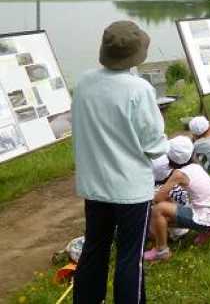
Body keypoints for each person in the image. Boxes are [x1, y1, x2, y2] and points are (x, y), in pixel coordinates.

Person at [71, 21, 168, 304]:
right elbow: (154, 145)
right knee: (129, 257)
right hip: (129, 189)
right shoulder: (138, 89)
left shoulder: (84, 81)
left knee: (94, 248)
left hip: (94, 183)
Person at [145, 136, 210, 262]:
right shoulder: (196, 167)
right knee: (163, 217)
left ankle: (161, 250)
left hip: (204, 217)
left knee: (158, 210)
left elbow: (158, 198)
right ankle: (209, 230)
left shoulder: (179, 174)